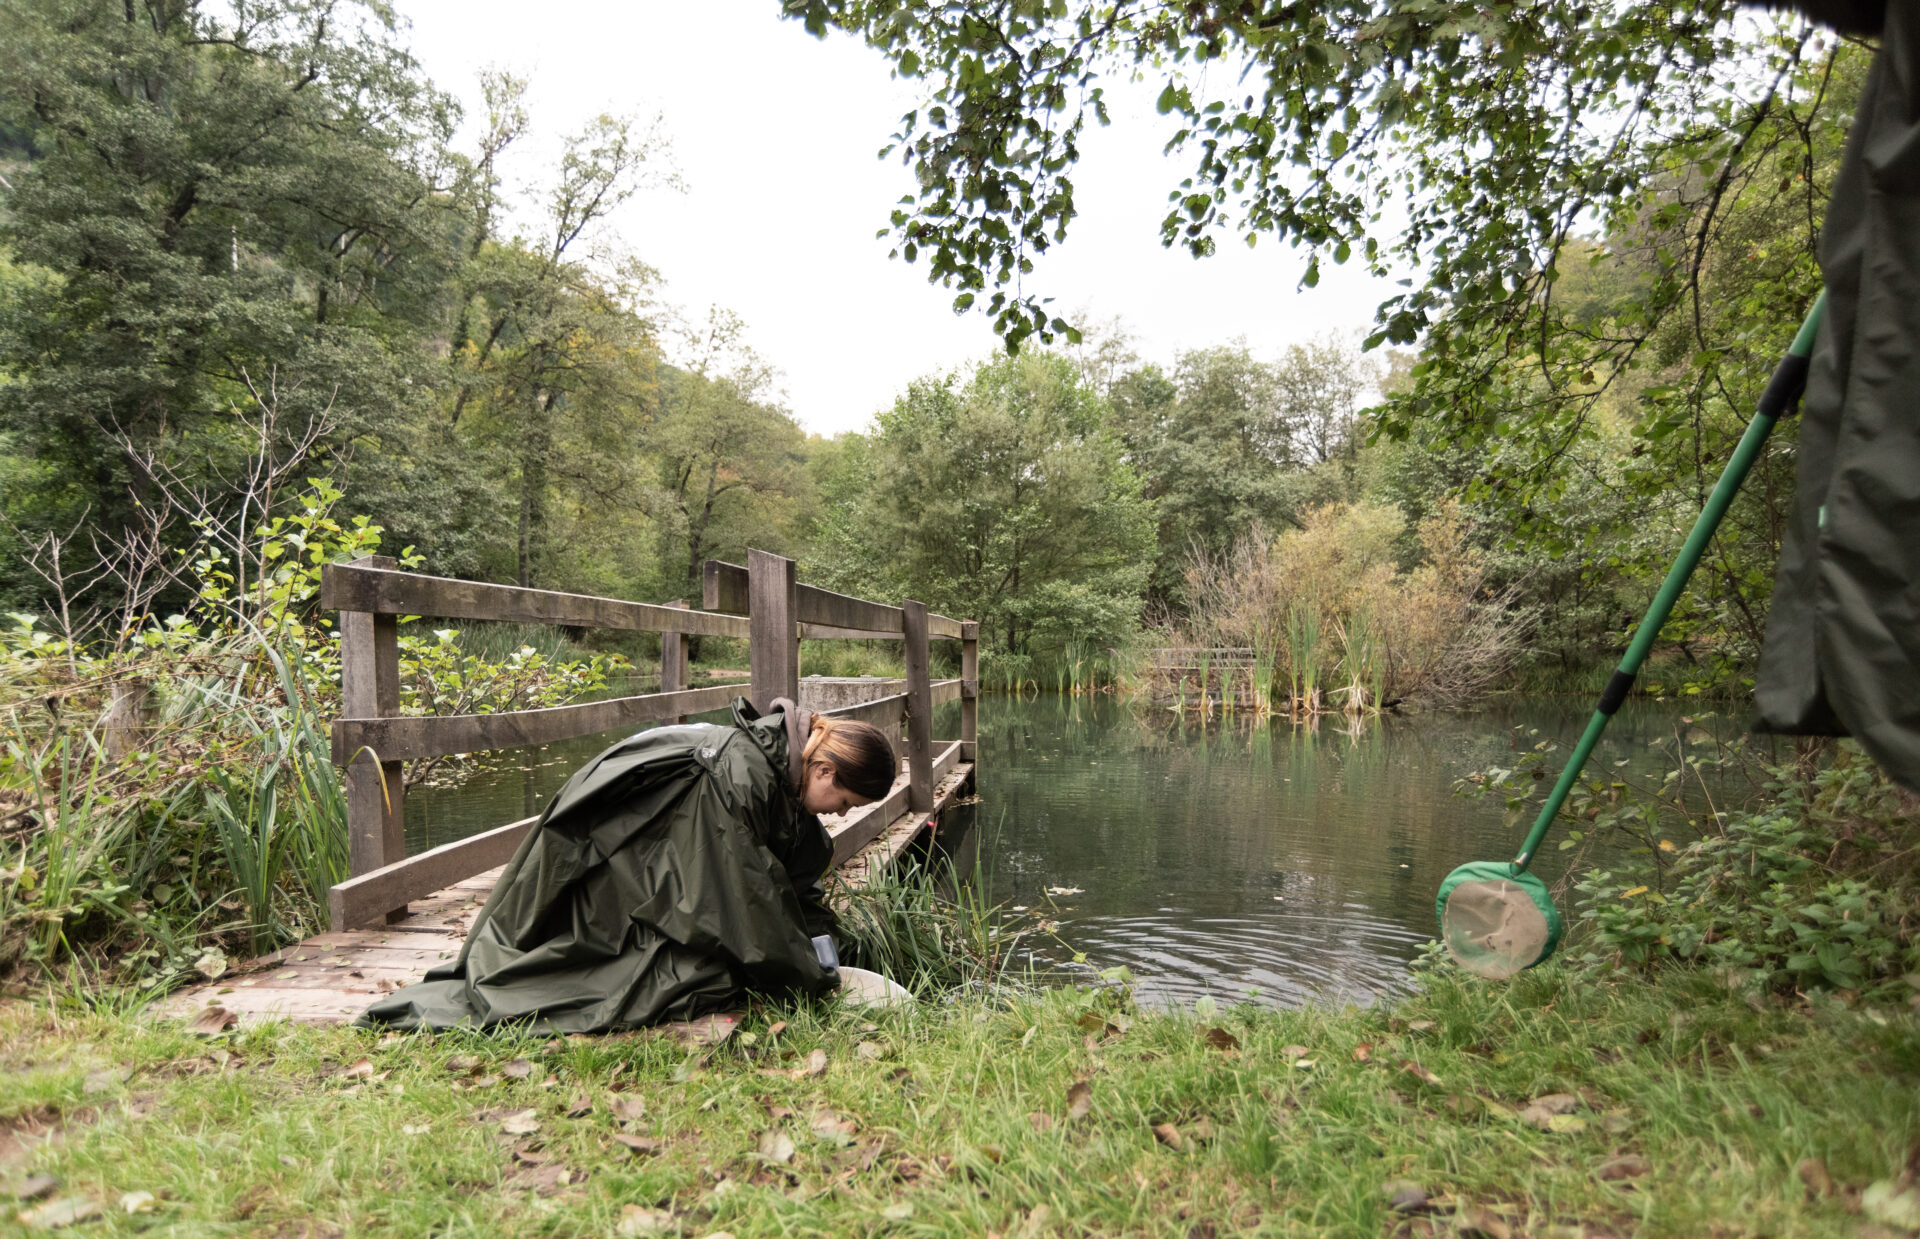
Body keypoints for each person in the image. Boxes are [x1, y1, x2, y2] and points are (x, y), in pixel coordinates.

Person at [357, 697, 898, 1033]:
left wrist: (833, 946)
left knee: (724, 969)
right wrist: (814, 977)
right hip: (606, 881)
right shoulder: (742, 777)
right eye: (845, 803)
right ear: (823, 770)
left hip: (650, 866)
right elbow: (742, 904)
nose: (839, 815)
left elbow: (784, 882)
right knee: (690, 978)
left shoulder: (777, 774)